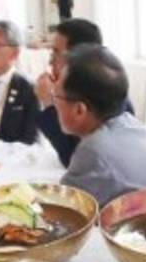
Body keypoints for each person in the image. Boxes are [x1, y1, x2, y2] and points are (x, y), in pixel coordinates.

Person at [57, 45, 146, 205]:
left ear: (79, 110)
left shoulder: (93, 151)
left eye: (56, 96)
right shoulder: (134, 125)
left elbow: (63, 208)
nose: (54, 104)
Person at [34, 18, 133, 166]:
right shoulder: (87, 86)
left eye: (56, 53)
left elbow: (74, 159)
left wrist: (49, 104)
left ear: (78, 56)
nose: (50, 61)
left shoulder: (102, 96)